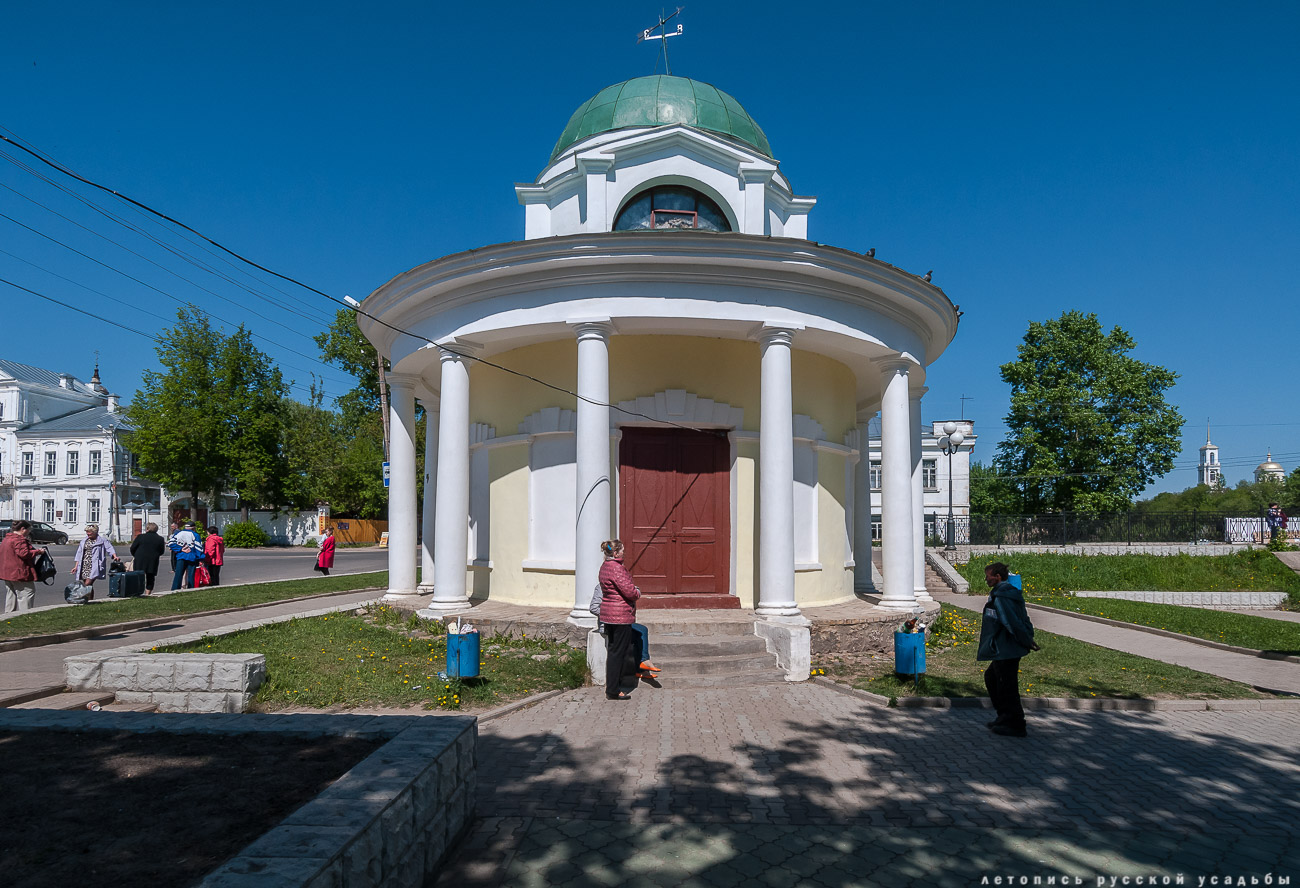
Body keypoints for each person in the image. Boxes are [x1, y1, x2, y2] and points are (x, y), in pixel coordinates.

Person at [977, 561, 1039, 737]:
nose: (986, 580)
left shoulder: (1002, 596)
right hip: (1004, 646)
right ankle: (1004, 716)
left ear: (998, 577)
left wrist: (1026, 640)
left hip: (1006, 647)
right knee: (992, 678)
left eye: (988, 576)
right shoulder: (1003, 593)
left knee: (1007, 685)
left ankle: (1016, 724)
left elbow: (1011, 621)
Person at [598, 539, 641, 700]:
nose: (624, 553)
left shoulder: (605, 567)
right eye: (622, 550)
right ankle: (614, 689)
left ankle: (613, 686)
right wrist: (637, 592)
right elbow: (629, 592)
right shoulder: (617, 568)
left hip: (608, 614)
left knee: (613, 651)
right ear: (615, 553)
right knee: (618, 653)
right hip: (620, 615)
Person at [1, 519, 41, 613]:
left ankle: (8, 615)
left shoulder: (6, 539)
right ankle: (25, 614)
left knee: (11, 594)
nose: (29, 532)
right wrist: (38, 552)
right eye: (28, 530)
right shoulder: (19, 539)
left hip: (7, 572)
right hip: (19, 572)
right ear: (23, 529)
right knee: (27, 592)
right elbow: (24, 553)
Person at [72, 524, 117, 598]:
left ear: (95, 532)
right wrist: (76, 566)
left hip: (95, 565)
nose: (88, 534)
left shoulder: (102, 540)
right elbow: (79, 553)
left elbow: (109, 548)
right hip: (84, 565)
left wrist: (114, 556)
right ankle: (90, 600)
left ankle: (81, 598)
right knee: (89, 585)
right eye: (87, 532)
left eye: (90, 532)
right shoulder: (84, 541)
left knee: (87, 584)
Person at [129, 522, 166, 595]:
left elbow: (133, 548)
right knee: (150, 577)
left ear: (147, 529)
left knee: (138, 576)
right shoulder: (160, 539)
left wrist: (135, 555)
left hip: (140, 559)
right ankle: (148, 593)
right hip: (152, 560)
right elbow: (161, 551)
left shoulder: (140, 537)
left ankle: (138, 592)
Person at [169, 521, 203, 591]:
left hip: (181, 556)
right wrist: (200, 558)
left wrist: (180, 549)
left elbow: (170, 543)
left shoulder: (179, 534)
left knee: (178, 575)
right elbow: (198, 548)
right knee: (191, 575)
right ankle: (191, 589)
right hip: (192, 557)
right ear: (194, 528)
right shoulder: (195, 535)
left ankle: (175, 589)